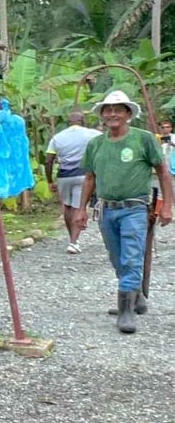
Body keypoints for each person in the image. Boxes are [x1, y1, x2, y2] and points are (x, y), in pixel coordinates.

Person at [75, 90, 175, 333]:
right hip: (106, 210)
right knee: (117, 258)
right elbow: (90, 178)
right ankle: (135, 296)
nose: (112, 114)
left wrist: (167, 206)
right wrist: (81, 210)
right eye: (108, 110)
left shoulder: (143, 139)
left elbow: (163, 172)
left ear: (128, 114)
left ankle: (125, 312)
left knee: (131, 257)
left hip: (135, 209)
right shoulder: (96, 144)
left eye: (118, 109)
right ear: (102, 115)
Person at [44, 110, 100, 253]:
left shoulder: (57, 137)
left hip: (64, 176)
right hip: (83, 175)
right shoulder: (92, 134)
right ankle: (74, 242)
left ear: (68, 122)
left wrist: (50, 180)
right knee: (78, 207)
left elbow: (48, 161)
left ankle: (72, 239)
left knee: (68, 207)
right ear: (83, 121)